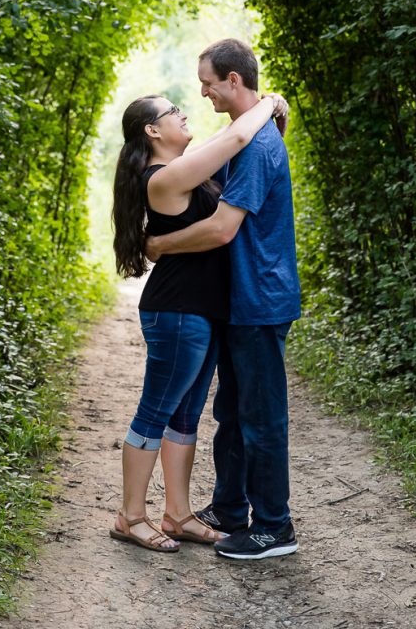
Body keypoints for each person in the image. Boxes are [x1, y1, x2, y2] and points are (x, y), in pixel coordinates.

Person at [110, 88, 288, 552]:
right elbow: (233, 140)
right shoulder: (162, 177)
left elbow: (231, 144)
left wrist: (265, 115)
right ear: (153, 130)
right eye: (173, 111)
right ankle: (131, 517)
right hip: (176, 311)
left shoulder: (186, 170)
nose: (184, 113)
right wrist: (268, 103)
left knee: (185, 416)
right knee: (155, 411)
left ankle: (177, 514)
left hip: (201, 310)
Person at [146, 39, 301, 560]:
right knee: (232, 411)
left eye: (208, 83)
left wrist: (160, 245)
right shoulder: (244, 136)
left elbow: (221, 229)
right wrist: (270, 102)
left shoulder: (256, 147)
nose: (203, 93)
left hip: (261, 299)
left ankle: (274, 526)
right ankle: (231, 508)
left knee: (261, 416)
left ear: (234, 80)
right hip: (240, 299)